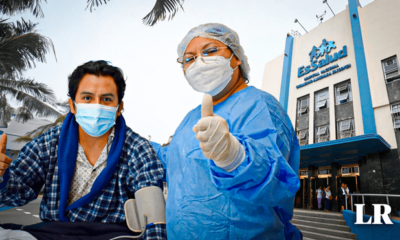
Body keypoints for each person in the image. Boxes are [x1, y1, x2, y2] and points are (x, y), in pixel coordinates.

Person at [151, 23, 301, 239]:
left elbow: (275, 181)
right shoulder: (189, 119)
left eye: (210, 51)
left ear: (236, 57)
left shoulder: (260, 106)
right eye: (189, 59)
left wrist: (234, 156)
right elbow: (170, 159)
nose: (199, 62)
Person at [0, 61, 166, 239]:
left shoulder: (139, 149)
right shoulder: (49, 143)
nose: (97, 106)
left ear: (119, 108)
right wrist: (1, 176)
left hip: (113, 236)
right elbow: (16, 191)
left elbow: (153, 216)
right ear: (72, 105)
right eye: (87, 98)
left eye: (107, 99)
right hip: (53, 233)